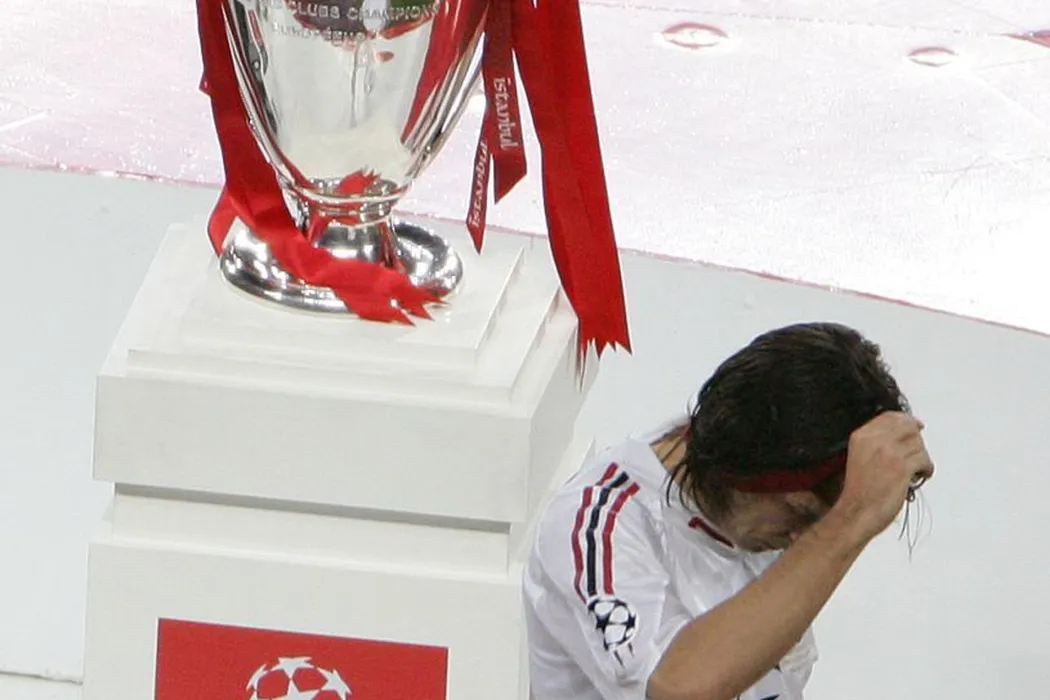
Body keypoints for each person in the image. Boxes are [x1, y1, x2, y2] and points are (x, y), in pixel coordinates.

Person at [522, 322, 935, 700]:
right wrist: (849, 522)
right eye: (800, 514)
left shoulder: (756, 499)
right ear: (739, 471)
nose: (802, 540)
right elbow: (676, 690)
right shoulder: (596, 527)